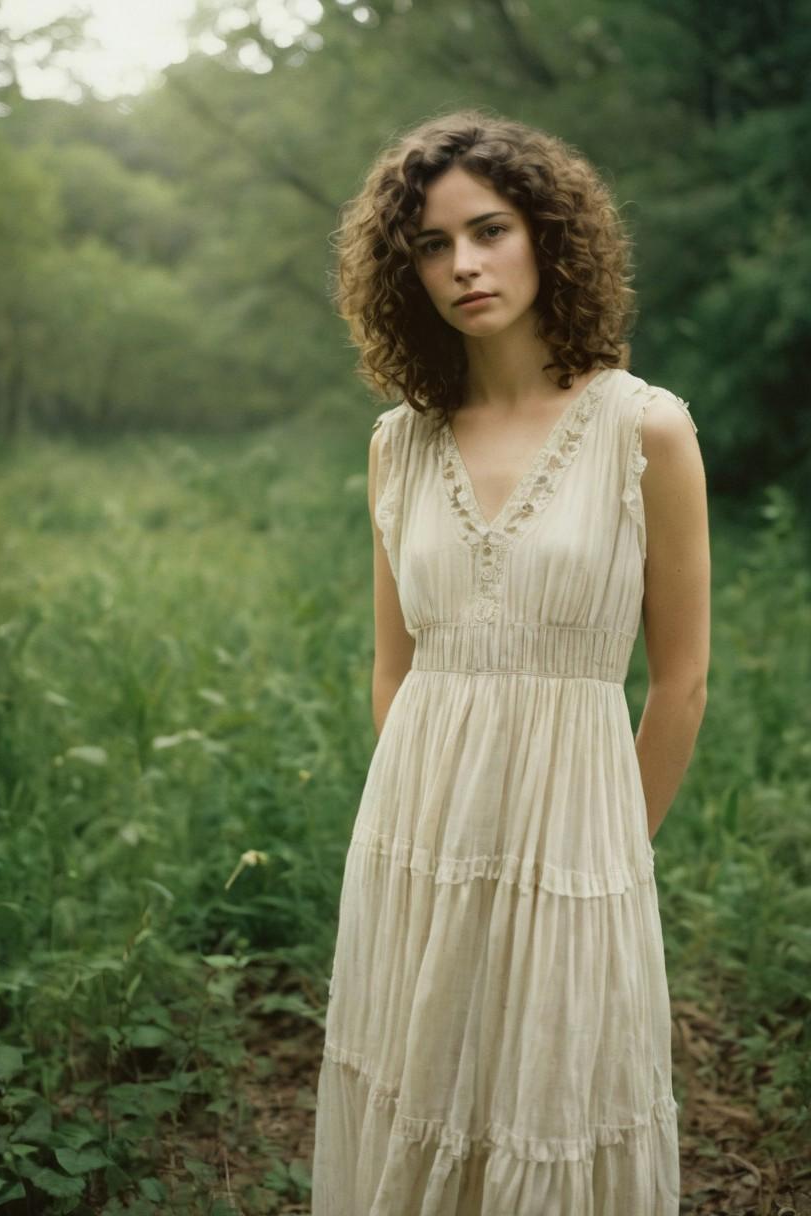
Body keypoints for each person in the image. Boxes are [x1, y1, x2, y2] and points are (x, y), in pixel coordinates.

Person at [311, 108, 710, 1215]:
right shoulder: (400, 439)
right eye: (431, 246)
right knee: (419, 1090)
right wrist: (418, 835)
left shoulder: (645, 429)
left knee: (552, 1107)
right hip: (417, 832)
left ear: (547, 235)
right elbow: (396, 664)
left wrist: (609, 854)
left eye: (488, 230)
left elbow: (680, 680)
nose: (463, 265)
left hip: (578, 837)